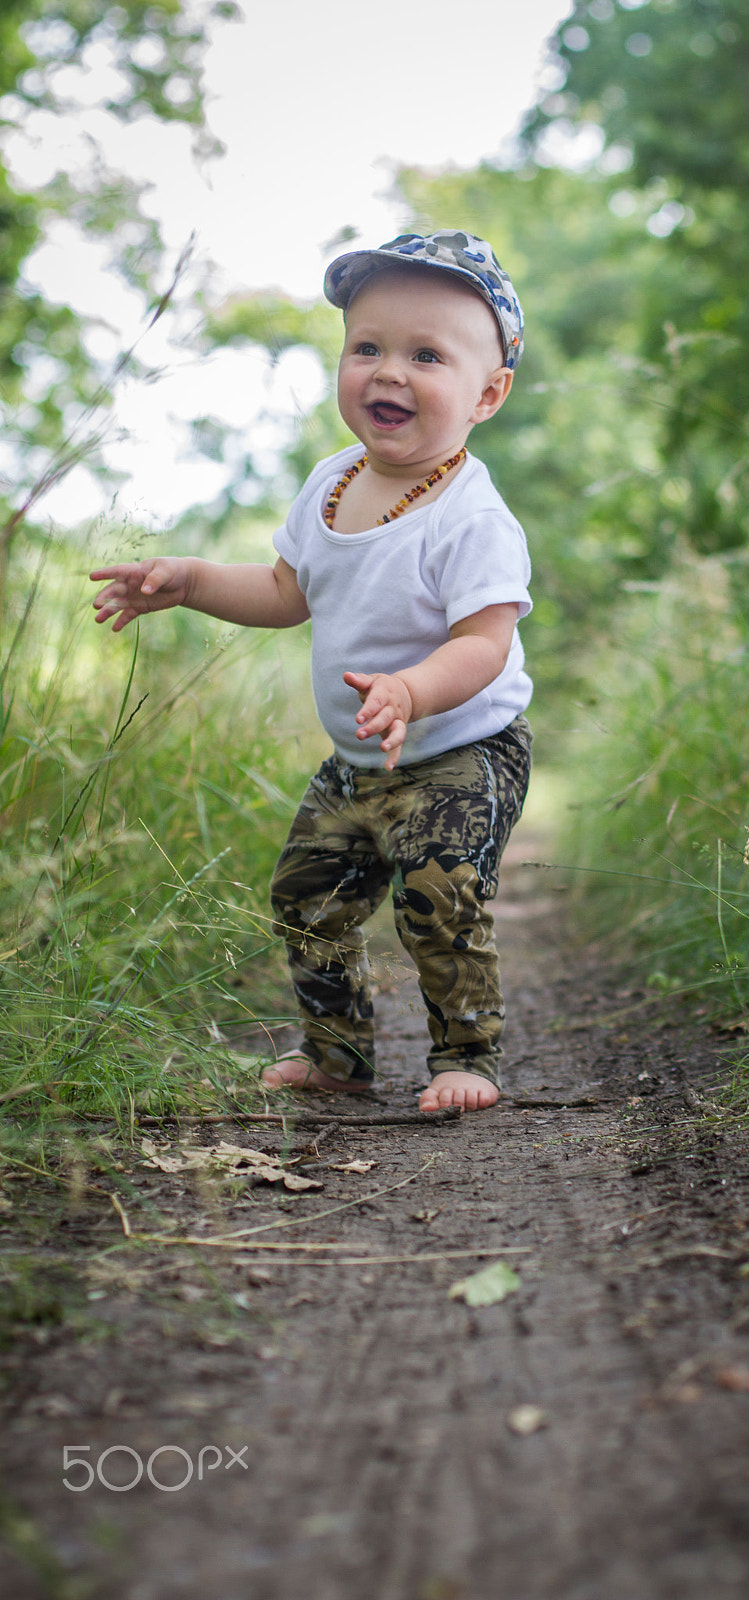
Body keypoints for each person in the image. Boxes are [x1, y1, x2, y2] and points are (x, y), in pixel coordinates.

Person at [91, 230, 533, 1114]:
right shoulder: (331, 481)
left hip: (462, 746)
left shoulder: (471, 516)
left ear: (487, 393)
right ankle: (338, 1054)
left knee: (437, 896)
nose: (387, 372)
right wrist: (188, 583)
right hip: (359, 756)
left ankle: (465, 1056)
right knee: (307, 895)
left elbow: (483, 645)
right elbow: (287, 591)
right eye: (366, 347)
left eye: (426, 355)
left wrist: (413, 689)